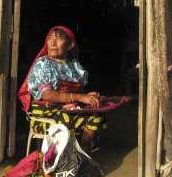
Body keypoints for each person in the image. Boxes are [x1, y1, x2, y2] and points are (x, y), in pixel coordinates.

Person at [18, 26, 108, 158]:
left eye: (58, 39)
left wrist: (88, 96)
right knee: (65, 122)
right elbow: (47, 95)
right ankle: (68, 159)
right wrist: (80, 97)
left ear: (70, 45)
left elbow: (79, 91)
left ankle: (83, 153)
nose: (53, 43)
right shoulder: (43, 64)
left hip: (66, 108)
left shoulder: (74, 65)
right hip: (44, 111)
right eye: (50, 39)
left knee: (98, 115)